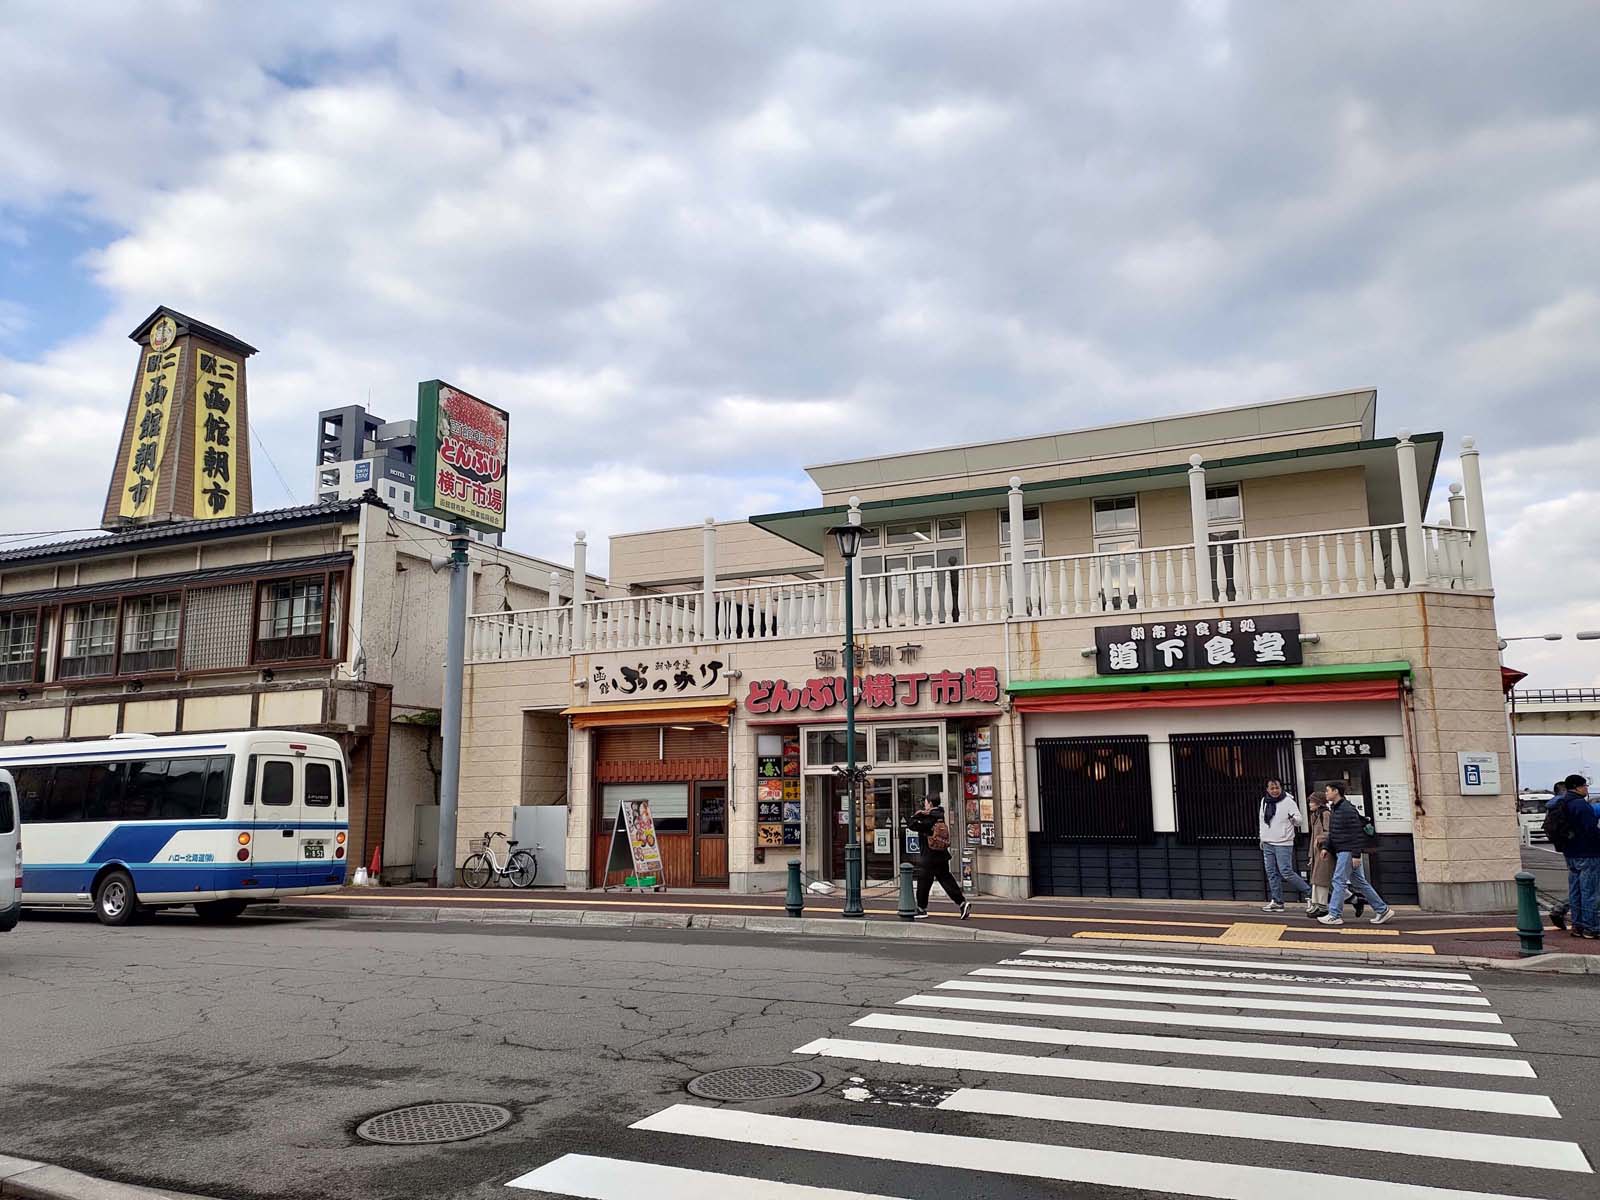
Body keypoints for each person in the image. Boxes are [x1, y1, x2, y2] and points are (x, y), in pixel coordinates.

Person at [1317, 782, 1394, 926]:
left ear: (1336, 791)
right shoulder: (1337, 808)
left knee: (1338, 881)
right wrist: (1326, 847)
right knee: (1359, 882)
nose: (1326, 793)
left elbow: (1356, 833)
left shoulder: (1346, 809)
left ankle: (1334, 914)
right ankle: (1382, 910)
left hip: (1347, 850)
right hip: (1344, 849)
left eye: (1327, 791)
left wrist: (1356, 855)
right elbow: (1334, 832)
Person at [905, 792, 971, 920]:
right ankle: (962, 903)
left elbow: (912, 824)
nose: (924, 804)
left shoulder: (927, 818)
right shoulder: (940, 815)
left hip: (929, 856)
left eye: (925, 802)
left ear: (929, 803)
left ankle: (921, 909)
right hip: (941, 855)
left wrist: (917, 814)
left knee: (924, 882)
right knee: (947, 880)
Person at [1551, 774, 1600, 939]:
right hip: (1588, 852)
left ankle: (1577, 926)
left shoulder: (1562, 803)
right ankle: (1591, 927)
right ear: (1578, 787)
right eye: (1585, 785)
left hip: (1570, 852)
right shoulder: (1581, 805)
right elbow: (1591, 830)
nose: (1587, 788)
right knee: (1589, 891)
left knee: (1576, 891)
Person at [1258, 777, 1310, 912]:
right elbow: (1262, 821)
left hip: (1283, 842)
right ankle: (1277, 901)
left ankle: (1311, 894)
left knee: (1286, 871)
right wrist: (1262, 838)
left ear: (1281, 788)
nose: (1275, 791)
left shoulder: (1288, 801)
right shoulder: (1264, 801)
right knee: (1271, 872)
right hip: (1268, 841)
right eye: (1272, 788)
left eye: (1277, 788)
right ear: (1267, 789)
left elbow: (1299, 821)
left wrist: (1293, 818)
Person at [1305, 788, 1334, 917]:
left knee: (1321, 878)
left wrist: (1320, 840)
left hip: (1325, 850)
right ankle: (1316, 903)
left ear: (1318, 803)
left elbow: (1329, 832)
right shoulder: (1315, 815)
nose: (1309, 804)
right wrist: (1311, 855)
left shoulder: (1325, 814)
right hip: (1317, 851)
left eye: (1312, 802)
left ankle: (1322, 906)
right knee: (1316, 878)